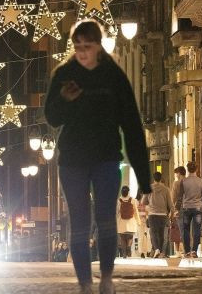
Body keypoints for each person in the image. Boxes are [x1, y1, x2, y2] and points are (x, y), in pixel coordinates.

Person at [45, 19, 151, 294]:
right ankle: (84, 284)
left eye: (87, 46)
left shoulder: (112, 75)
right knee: (79, 220)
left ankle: (106, 277)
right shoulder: (64, 73)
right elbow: (51, 117)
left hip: (106, 157)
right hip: (72, 160)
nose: (81, 52)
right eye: (77, 46)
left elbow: (131, 124)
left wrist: (144, 176)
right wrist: (64, 100)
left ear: (98, 46)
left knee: (105, 217)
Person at [172, 161, 202, 258]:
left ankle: (187, 251)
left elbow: (179, 197)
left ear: (187, 170)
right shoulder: (201, 181)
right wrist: (200, 199)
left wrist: (176, 209)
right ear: (196, 169)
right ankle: (194, 251)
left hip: (186, 208)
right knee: (196, 230)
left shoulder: (184, 182)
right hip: (197, 208)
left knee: (186, 230)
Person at [115, 186, 139, 258]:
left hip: (121, 222)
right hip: (131, 222)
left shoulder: (118, 201)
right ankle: (129, 246)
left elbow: (117, 212)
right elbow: (135, 211)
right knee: (130, 237)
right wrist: (138, 220)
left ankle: (124, 253)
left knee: (122, 238)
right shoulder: (133, 200)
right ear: (128, 192)